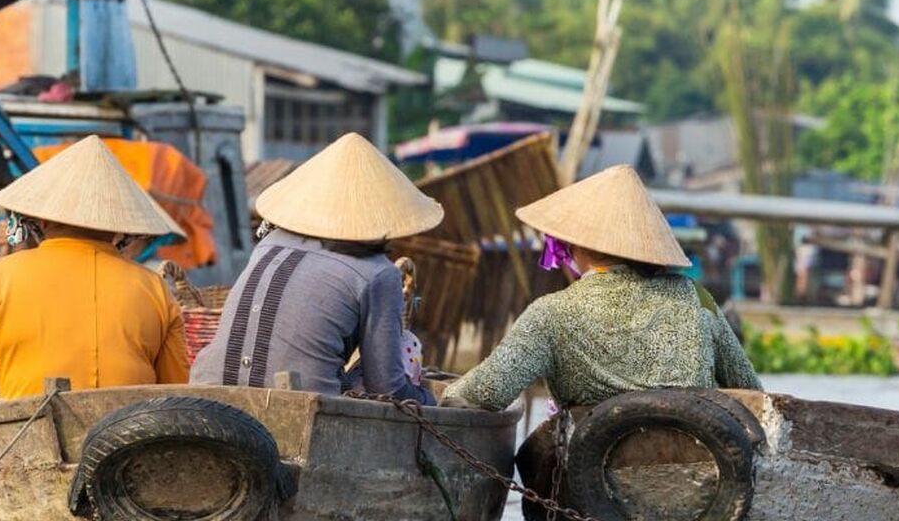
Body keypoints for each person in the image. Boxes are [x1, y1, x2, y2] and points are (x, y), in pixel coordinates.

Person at [445, 164, 761, 412]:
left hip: (593, 474)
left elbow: (485, 392)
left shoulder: (550, 313)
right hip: (706, 469)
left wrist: (440, 393)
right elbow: (750, 389)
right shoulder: (695, 296)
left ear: (575, 244)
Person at [190, 132, 441, 400]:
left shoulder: (269, 242)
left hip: (206, 388)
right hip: (299, 404)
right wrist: (431, 400)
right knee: (407, 346)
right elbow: (387, 387)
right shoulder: (379, 273)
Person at [0, 136, 190, 401]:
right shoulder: (155, 288)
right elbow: (176, 390)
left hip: (25, 437)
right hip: (130, 437)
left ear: (42, 220)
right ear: (117, 226)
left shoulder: (1, 277)